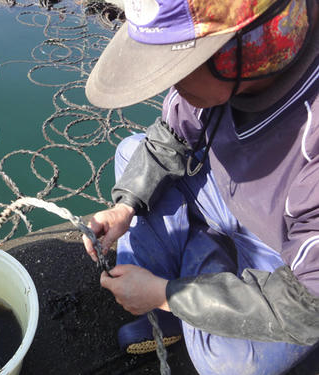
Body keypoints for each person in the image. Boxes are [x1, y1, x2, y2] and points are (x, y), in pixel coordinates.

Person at [82, 0, 319, 373]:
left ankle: (178, 292)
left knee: (229, 364)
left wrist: (167, 294)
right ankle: (173, 304)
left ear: (235, 51)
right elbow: (171, 137)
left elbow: (308, 305)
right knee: (133, 155)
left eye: (175, 67)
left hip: (289, 258)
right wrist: (123, 207)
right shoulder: (236, 69)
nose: (168, 84)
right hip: (231, 199)